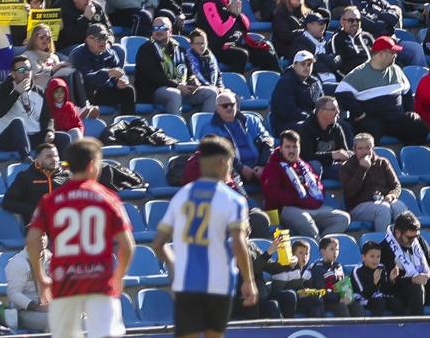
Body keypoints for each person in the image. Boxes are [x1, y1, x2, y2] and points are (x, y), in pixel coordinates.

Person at [27, 136, 135, 338]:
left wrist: (41, 277)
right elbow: (127, 244)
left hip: (64, 280)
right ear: (93, 165)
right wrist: (118, 276)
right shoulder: (108, 198)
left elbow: (33, 238)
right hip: (99, 281)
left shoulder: (51, 200)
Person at [154, 137, 257, 338]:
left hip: (187, 283)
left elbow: (158, 243)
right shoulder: (233, 199)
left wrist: (175, 266)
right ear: (222, 163)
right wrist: (249, 280)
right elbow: (238, 242)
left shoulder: (182, 195)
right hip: (220, 281)